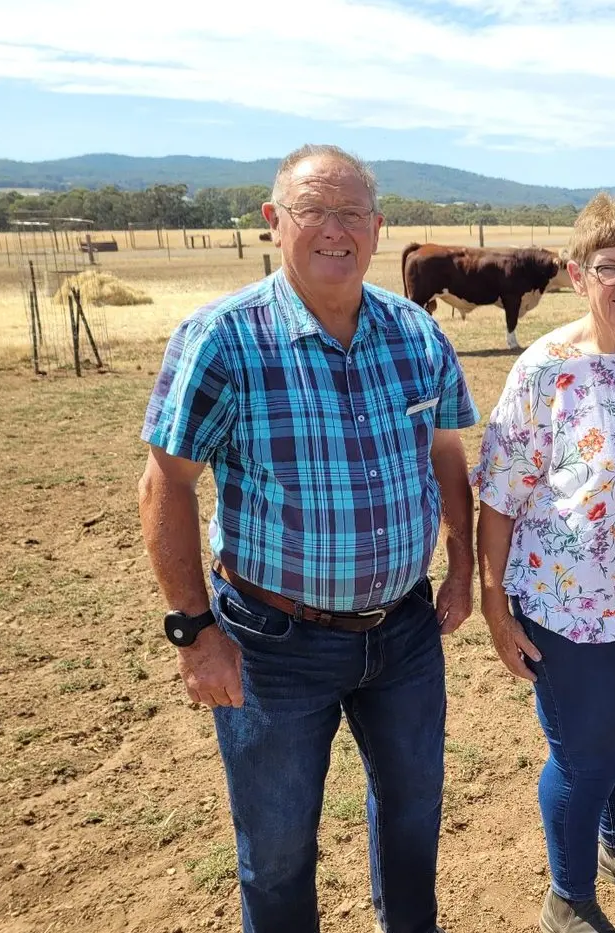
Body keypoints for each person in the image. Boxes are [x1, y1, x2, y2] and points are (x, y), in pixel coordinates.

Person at [138, 144, 479, 933]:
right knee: (279, 845)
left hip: (404, 631)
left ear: (378, 226)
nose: (335, 229)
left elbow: (446, 453)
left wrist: (461, 571)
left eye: (352, 212)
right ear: (274, 222)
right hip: (272, 640)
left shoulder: (412, 334)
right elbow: (166, 484)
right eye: (314, 210)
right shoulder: (223, 339)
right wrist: (195, 632)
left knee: (413, 816)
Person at [472, 193, 615, 933]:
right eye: (611, 268)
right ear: (577, 273)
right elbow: (501, 497)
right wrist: (496, 604)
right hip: (573, 601)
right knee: (586, 748)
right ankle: (567, 895)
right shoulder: (546, 369)